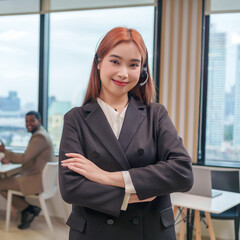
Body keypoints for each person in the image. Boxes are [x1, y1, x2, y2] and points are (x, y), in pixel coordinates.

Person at [59, 27, 193, 240]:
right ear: (98, 63)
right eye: (115, 61)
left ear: (142, 71)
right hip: (95, 232)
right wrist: (132, 196)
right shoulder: (75, 119)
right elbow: (71, 188)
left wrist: (105, 177)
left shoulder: (155, 114)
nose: (123, 73)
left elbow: (182, 173)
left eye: (133, 65)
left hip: (150, 232)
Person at [0, 111, 55, 230]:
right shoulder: (43, 134)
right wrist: (10, 160)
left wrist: (5, 152)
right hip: (41, 179)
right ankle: (27, 211)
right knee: (13, 176)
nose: (28, 124)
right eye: (26, 121)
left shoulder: (39, 137)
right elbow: (30, 158)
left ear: (39, 121)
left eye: (32, 120)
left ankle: (28, 209)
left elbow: (24, 158)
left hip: (36, 180)